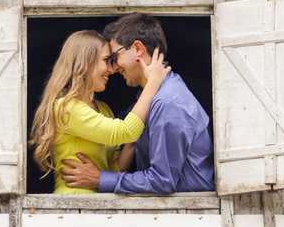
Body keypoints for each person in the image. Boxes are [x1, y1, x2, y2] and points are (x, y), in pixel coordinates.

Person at [61, 13, 215, 194]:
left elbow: (162, 181)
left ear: (137, 49)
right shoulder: (151, 97)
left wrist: (100, 178)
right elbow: (126, 130)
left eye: (115, 57)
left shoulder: (168, 103)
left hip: (188, 217)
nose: (114, 67)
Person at [28, 29, 170, 193]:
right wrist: (153, 82)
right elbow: (126, 131)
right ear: (85, 62)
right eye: (106, 61)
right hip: (72, 207)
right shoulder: (66, 108)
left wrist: (134, 138)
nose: (112, 69)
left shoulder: (103, 109)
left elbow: (114, 170)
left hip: (99, 205)